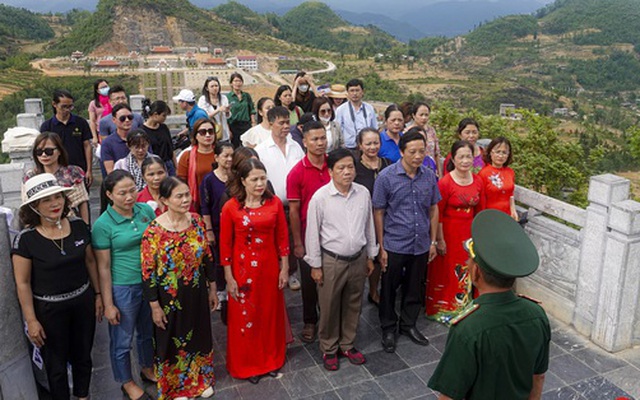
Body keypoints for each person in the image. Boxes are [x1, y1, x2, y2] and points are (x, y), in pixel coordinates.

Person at [428, 209, 550, 400]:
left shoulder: (468, 328)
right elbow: (538, 376)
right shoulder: (537, 314)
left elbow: (449, 396)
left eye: (470, 259)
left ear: (476, 272)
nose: (467, 263)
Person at [11, 173, 102, 400]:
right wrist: (31, 320)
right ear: (34, 206)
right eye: (46, 200)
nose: (55, 204)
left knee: (83, 356)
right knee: (56, 365)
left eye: (58, 197)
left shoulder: (79, 226)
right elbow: (22, 283)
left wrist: (98, 294)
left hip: (82, 302)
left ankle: (83, 396)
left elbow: (90, 261)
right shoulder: (26, 240)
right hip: (49, 311)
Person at [141, 177, 217, 400]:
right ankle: (176, 388)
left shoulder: (196, 221)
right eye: (179, 196)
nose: (186, 200)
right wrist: (154, 305)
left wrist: (212, 288)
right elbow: (148, 272)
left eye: (187, 194)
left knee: (199, 335)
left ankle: (200, 380)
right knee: (171, 340)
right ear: (164, 200)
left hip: (196, 292)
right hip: (168, 297)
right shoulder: (153, 231)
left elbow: (207, 258)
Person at [305, 148, 377, 371]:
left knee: (353, 303)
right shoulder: (320, 198)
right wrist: (315, 264)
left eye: (350, 167)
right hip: (331, 261)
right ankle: (329, 348)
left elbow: (369, 225)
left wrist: (370, 255)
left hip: (357, 258)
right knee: (329, 305)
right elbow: (312, 233)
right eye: (341, 168)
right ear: (330, 172)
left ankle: (347, 343)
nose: (347, 172)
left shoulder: (363, 193)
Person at [219, 159, 290, 383]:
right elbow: (225, 244)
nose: (260, 183)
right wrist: (228, 276)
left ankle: (270, 360)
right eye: (254, 179)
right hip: (242, 272)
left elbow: (282, 237)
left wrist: (285, 267)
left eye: (263, 178)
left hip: (269, 268)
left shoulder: (274, 203)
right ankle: (248, 365)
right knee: (245, 318)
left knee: (269, 315)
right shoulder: (231, 207)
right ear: (242, 181)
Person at [372, 131, 440, 353]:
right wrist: (381, 247)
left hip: (420, 244)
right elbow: (379, 212)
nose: (418, 156)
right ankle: (388, 328)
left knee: (414, 287)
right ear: (401, 152)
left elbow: (433, 209)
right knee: (390, 288)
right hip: (394, 243)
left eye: (421, 151)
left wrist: (432, 241)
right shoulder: (386, 177)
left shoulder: (429, 176)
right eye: (412, 152)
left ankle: (408, 324)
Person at [93, 171, 156, 400]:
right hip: (123, 288)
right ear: (109, 194)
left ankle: (147, 367)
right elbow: (103, 267)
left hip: (149, 283)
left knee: (147, 332)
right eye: (122, 193)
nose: (130, 196)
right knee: (122, 339)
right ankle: (126, 381)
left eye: (132, 190)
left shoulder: (145, 210)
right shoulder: (103, 225)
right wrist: (108, 304)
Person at [426, 140, 485, 324]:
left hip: (469, 234)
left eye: (469, 156)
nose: (466, 160)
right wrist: (439, 239)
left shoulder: (478, 180)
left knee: (467, 269)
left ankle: (464, 307)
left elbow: (481, 211)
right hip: (449, 232)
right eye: (461, 157)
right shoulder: (445, 182)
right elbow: (438, 214)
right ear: (453, 158)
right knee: (448, 270)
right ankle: (445, 309)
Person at [286, 121, 331, 343]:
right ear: (304, 142)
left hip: (334, 234)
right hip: (308, 234)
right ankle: (310, 320)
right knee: (309, 280)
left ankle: (330, 319)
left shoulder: (335, 165)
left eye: (323, 138)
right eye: (315, 139)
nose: (320, 143)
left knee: (331, 279)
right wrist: (298, 242)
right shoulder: (296, 172)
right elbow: (293, 212)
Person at [354, 128, 392, 306]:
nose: (372, 147)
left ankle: (374, 290)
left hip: (387, 218)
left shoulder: (388, 163)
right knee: (364, 256)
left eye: (376, 142)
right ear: (360, 145)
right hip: (362, 218)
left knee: (380, 257)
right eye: (368, 143)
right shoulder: (354, 167)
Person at [24, 131, 90, 224]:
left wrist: (85, 225)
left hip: (71, 223)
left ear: (59, 151)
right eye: (39, 152)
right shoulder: (31, 176)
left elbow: (82, 203)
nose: (44, 155)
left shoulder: (73, 172)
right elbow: (28, 207)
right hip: (42, 226)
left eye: (49, 151)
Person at [201, 141, 235, 307]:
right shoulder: (209, 179)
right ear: (217, 157)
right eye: (225, 156)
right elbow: (205, 206)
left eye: (231, 156)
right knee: (219, 261)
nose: (229, 159)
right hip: (216, 226)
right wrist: (208, 230)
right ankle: (220, 292)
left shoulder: (236, 177)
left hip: (234, 227)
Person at [40, 89, 93, 186]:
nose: (67, 110)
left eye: (70, 107)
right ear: (54, 104)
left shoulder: (80, 122)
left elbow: (87, 146)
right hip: (56, 172)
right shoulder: (47, 126)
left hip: (79, 170)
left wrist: (89, 170)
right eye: (64, 107)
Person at [255, 106, 305, 204]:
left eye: (287, 122)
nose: (286, 126)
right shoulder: (260, 151)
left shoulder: (296, 147)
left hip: (297, 204)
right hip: (272, 206)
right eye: (281, 123)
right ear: (271, 124)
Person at [177, 118, 217, 212]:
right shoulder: (187, 156)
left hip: (219, 201)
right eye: (203, 132)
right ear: (195, 136)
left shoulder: (221, 154)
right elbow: (181, 182)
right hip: (196, 204)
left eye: (211, 131)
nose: (207, 135)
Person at [478, 136, 518, 220]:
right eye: (497, 152)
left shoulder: (510, 172)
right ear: (491, 153)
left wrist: (513, 211)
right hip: (490, 216)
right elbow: (481, 199)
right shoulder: (483, 173)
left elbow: (510, 195)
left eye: (504, 152)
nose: (500, 156)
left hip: (507, 216)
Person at [335, 79, 378, 150]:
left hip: (367, 147)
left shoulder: (369, 108)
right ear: (347, 93)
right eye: (352, 91)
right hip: (349, 148)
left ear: (362, 92)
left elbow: (374, 128)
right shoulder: (341, 110)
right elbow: (338, 130)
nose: (355, 93)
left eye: (357, 90)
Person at [142, 100, 178, 176]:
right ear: (155, 114)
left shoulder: (164, 128)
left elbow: (171, 149)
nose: (165, 118)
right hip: (153, 166)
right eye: (163, 115)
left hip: (168, 165)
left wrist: (176, 166)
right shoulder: (142, 131)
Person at [101, 104, 137, 176]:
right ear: (114, 120)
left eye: (130, 117)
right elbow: (110, 171)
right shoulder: (107, 143)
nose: (127, 120)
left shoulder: (140, 138)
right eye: (122, 118)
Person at [411, 102, 441, 176]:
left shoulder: (431, 131)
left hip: (431, 169)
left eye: (426, 115)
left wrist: (440, 174)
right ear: (414, 115)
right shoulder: (407, 132)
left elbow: (436, 154)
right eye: (421, 115)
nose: (424, 118)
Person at [227, 72, 256, 148]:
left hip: (246, 125)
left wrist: (253, 123)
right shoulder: (228, 97)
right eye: (235, 81)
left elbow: (252, 110)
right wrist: (228, 130)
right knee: (236, 148)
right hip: (234, 126)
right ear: (231, 83)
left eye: (239, 81)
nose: (238, 83)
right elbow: (225, 115)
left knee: (247, 146)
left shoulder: (246, 96)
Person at [198, 76, 231, 141]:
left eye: (216, 86)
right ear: (207, 88)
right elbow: (204, 116)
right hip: (209, 133)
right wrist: (218, 110)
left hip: (223, 132)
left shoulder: (223, 98)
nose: (215, 88)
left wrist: (227, 111)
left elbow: (228, 116)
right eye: (212, 86)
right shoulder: (203, 99)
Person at [88, 78, 111, 145]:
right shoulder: (93, 103)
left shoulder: (113, 101)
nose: (105, 88)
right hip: (101, 131)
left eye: (106, 86)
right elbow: (92, 121)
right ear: (97, 90)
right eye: (102, 87)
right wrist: (94, 137)